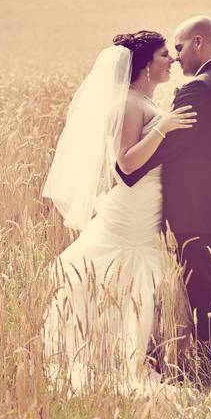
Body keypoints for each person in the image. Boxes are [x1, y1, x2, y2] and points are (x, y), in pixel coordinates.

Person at [41, 30, 196, 394]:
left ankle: (125, 355)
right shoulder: (128, 103)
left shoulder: (144, 101)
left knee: (130, 281)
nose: (171, 59)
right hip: (131, 211)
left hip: (146, 209)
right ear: (143, 65)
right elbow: (125, 167)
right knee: (120, 274)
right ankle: (109, 361)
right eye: (163, 55)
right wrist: (165, 129)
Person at [116, 16, 211, 388]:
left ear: (199, 42)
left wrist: (130, 167)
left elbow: (152, 157)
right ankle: (210, 374)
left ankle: (208, 379)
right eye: (169, 51)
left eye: (180, 47)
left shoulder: (200, 88)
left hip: (199, 214)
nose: (176, 57)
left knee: (206, 302)